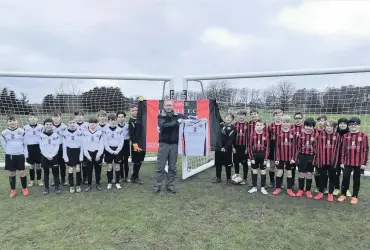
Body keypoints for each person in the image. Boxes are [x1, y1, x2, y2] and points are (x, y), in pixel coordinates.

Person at [153, 100, 186, 194]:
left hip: (174, 144)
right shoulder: (161, 116)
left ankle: (170, 185)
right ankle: (157, 185)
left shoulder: (178, 115)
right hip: (164, 144)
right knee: (160, 166)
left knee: (172, 167)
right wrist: (177, 122)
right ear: (164, 106)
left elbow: (188, 120)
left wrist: (199, 120)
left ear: (173, 106)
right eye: (167, 105)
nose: (168, 107)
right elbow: (164, 126)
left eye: (170, 105)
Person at [337, 117, 368, 205]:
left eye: (355, 124)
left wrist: (364, 163)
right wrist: (342, 161)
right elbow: (343, 150)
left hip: (359, 163)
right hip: (347, 162)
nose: (353, 126)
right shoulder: (346, 136)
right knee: (345, 178)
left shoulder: (363, 136)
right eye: (351, 125)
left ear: (358, 125)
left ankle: (354, 196)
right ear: (349, 126)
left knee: (356, 179)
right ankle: (343, 194)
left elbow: (365, 150)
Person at [1, 115, 29, 197]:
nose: (12, 122)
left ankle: (24, 188)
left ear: (17, 121)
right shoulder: (4, 133)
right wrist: (9, 152)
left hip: (20, 155)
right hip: (10, 155)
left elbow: (25, 144)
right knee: (12, 173)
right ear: (7, 123)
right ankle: (13, 190)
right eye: (10, 121)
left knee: (21, 172)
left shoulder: (22, 132)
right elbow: (4, 145)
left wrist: (24, 154)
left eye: (14, 120)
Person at [314, 120, 340, 202]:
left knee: (332, 177)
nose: (329, 128)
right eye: (327, 126)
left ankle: (330, 194)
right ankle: (321, 192)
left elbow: (338, 149)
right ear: (325, 127)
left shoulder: (337, 135)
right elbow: (317, 148)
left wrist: (337, 161)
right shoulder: (320, 135)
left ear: (334, 127)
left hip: (333, 161)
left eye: (331, 126)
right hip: (322, 160)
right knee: (322, 177)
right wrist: (318, 159)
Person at [273, 115, 296, 196]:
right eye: (284, 122)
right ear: (281, 123)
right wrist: (277, 158)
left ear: (290, 123)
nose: (285, 124)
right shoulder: (279, 132)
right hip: (281, 157)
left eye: (287, 122)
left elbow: (294, 146)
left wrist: (293, 158)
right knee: (279, 172)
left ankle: (289, 189)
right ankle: (277, 188)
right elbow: (277, 146)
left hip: (290, 158)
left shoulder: (293, 132)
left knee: (289, 173)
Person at [295, 118, 317, 198]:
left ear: (313, 127)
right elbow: (297, 147)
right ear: (304, 126)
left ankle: (308, 190)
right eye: (307, 126)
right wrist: (296, 158)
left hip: (311, 157)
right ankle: (301, 189)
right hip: (302, 156)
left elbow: (317, 148)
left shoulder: (316, 136)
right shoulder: (300, 135)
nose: (308, 128)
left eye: (310, 126)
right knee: (301, 173)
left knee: (309, 173)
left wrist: (316, 157)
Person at [39, 118, 61, 195]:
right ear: (44, 125)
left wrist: (52, 155)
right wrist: (46, 155)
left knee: (55, 172)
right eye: (47, 124)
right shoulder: (41, 136)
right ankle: (46, 187)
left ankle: (57, 186)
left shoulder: (56, 136)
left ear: (53, 125)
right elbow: (41, 147)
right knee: (46, 172)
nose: (49, 126)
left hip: (54, 156)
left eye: (50, 124)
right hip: (44, 157)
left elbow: (57, 147)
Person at [248, 119, 269, 195]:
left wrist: (266, 158)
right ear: (255, 126)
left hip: (262, 155)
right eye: (257, 125)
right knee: (254, 171)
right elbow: (249, 147)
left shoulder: (266, 135)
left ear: (263, 126)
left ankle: (263, 187)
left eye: (261, 125)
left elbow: (267, 148)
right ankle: (254, 187)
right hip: (254, 155)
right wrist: (251, 158)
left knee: (263, 171)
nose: (259, 127)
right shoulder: (252, 134)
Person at [63, 116, 84, 194]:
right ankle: (71, 186)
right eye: (70, 123)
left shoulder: (80, 132)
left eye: (73, 122)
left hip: (77, 152)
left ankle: (78, 185)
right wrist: (65, 156)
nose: (72, 124)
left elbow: (82, 145)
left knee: (78, 169)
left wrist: (81, 155)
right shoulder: (65, 133)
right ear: (67, 124)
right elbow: (64, 146)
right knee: (71, 169)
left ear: (76, 123)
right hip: (69, 152)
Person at [213, 113, 236, 184]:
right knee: (218, 164)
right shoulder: (220, 125)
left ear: (232, 120)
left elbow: (230, 140)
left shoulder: (233, 128)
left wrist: (225, 147)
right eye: (227, 117)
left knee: (227, 164)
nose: (228, 118)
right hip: (218, 148)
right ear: (225, 118)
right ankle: (218, 178)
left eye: (230, 117)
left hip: (227, 149)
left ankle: (228, 179)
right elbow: (217, 116)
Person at [83, 117, 104, 191]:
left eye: (94, 124)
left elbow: (102, 145)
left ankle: (98, 183)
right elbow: (84, 146)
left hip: (97, 153)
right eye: (91, 124)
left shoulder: (100, 133)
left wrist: (99, 155)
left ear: (97, 124)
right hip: (89, 154)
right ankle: (89, 184)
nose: (93, 125)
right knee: (89, 170)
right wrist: (87, 156)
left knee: (98, 170)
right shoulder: (85, 133)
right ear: (88, 124)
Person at [104, 113, 124, 190]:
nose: (113, 122)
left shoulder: (120, 130)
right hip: (109, 151)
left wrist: (117, 150)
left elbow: (121, 142)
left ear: (116, 121)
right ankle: (109, 182)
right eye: (111, 120)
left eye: (114, 120)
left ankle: (117, 182)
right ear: (108, 121)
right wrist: (111, 151)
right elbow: (105, 143)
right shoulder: (106, 131)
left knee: (117, 167)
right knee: (109, 167)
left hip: (117, 151)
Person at [23, 112, 44, 187]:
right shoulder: (25, 127)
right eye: (31, 117)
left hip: (38, 147)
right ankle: (32, 180)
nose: (33, 119)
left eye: (34, 117)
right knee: (31, 165)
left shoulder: (41, 127)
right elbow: (24, 140)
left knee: (38, 165)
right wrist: (25, 152)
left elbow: (43, 138)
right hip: (30, 148)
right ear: (28, 119)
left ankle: (39, 180)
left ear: (37, 119)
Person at [128, 104, 146, 184]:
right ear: (130, 112)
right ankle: (135, 177)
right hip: (136, 144)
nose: (135, 112)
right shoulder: (131, 122)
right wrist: (135, 144)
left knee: (141, 160)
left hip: (143, 143)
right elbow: (131, 135)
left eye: (136, 110)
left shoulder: (141, 119)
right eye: (133, 111)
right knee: (137, 161)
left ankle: (134, 176)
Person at [267, 109, 283, 188]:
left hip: (282, 148)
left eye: (280, 115)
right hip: (273, 147)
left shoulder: (284, 125)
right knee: (272, 166)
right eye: (277, 115)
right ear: (274, 116)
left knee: (280, 166)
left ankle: (280, 182)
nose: (278, 117)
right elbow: (268, 138)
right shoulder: (270, 126)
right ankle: (272, 182)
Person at [52, 110, 68, 186]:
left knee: (62, 165)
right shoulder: (50, 127)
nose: (56, 119)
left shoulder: (64, 127)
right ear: (52, 118)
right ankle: (56, 179)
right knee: (54, 165)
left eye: (57, 117)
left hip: (62, 147)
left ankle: (63, 180)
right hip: (53, 148)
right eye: (54, 117)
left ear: (60, 117)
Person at [232, 110, 248, 185]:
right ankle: (237, 177)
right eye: (239, 115)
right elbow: (231, 138)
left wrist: (247, 148)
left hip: (244, 147)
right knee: (236, 162)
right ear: (237, 116)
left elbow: (250, 137)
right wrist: (233, 147)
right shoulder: (234, 124)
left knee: (244, 163)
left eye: (242, 115)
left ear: (245, 116)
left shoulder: (248, 125)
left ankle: (245, 178)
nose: (241, 116)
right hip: (236, 147)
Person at [334, 118, 349, 196]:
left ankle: (346, 189)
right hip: (336, 157)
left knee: (346, 174)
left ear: (347, 125)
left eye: (344, 123)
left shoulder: (350, 134)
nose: (342, 125)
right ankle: (336, 188)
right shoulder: (335, 134)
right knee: (336, 173)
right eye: (341, 123)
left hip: (347, 158)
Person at [74, 110, 89, 184]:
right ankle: (78, 178)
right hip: (76, 147)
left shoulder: (87, 124)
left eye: (81, 115)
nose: (79, 117)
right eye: (77, 115)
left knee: (84, 163)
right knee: (77, 163)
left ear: (83, 116)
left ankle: (85, 178)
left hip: (85, 146)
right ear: (75, 117)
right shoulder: (72, 124)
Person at [314, 115, 327, 193]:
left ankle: (325, 187)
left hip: (326, 155)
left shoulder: (328, 131)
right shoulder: (313, 131)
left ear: (325, 121)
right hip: (316, 155)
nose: (320, 123)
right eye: (319, 121)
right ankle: (318, 187)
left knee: (325, 172)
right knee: (317, 172)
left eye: (322, 121)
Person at [291, 112, 304, 187]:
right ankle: (291, 184)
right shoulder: (291, 127)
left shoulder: (305, 127)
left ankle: (300, 187)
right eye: (296, 118)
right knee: (292, 169)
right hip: (292, 152)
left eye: (299, 118)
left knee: (301, 170)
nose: (298, 120)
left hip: (302, 152)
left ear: (302, 119)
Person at [117, 111, 130, 182]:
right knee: (120, 161)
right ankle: (121, 176)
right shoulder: (116, 127)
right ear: (117, 118)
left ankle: (127, 176)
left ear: (124, 117)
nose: (121, 118)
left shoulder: (127, 126)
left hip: (126, 144)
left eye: (122, 117)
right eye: (119, 117)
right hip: (119, 145)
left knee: (126, 161)